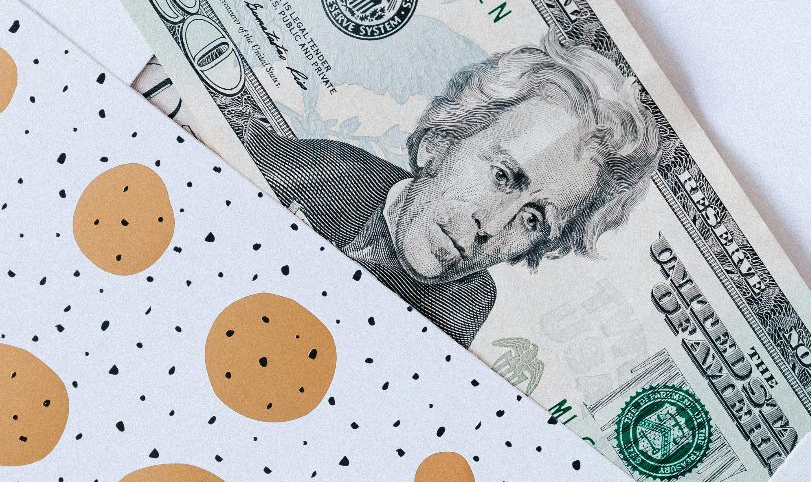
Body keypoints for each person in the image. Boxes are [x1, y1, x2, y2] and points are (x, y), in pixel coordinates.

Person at [244, 35, 661, 347]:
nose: (491, 226)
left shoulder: (464, 307)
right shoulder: (329, 171)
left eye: (533, 220)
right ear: (439, 143)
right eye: (502, 176)